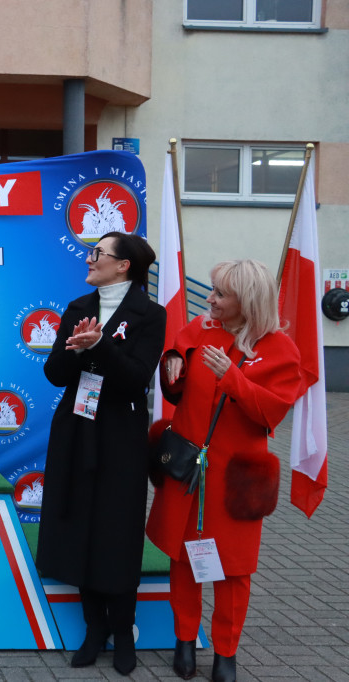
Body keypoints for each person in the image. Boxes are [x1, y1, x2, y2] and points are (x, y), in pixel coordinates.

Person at [147, 259, 301, 682]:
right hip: (187, 468)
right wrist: (173, 363)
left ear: (247, 302)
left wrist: (233, 378)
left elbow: (271, 412)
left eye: (219, 294)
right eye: (212, 290)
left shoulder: (280, 348)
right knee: (182, 557)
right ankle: (183, 639)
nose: (209, 299)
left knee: (233, 570)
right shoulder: (202, 329)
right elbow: (177, 360)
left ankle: (226, 653)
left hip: (234, 478)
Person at [36, 231, 166, 675]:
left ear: (123, 264)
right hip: (77, 426)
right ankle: (94, 630)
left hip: (121, 431)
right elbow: (55, 374)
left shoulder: (150, 314)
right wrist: (75, 351)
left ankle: (123, 629)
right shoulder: (78, 308)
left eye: (98, 254)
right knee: (81, 524)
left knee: (117, 530)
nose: (89, 259)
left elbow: (135, 379)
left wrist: (101, 346)